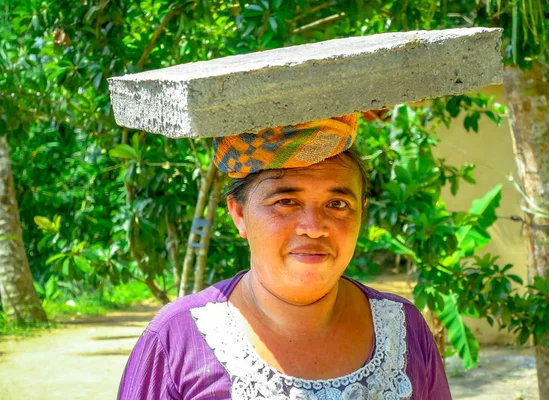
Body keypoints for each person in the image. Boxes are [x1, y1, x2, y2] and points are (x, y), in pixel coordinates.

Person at [117, 114, 451, 399]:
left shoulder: (403, 330)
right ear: (238, 214)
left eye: (337, 204)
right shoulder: (176, 340)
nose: (314, 227)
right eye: (285, 202)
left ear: (361, 212)